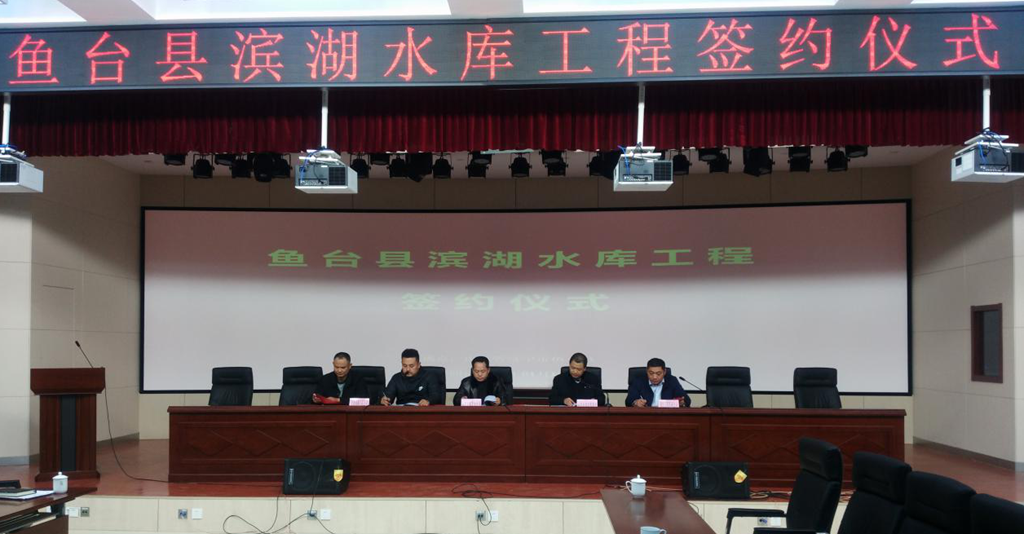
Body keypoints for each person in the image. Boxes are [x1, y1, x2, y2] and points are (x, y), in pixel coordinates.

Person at [625, 357, 691, 408]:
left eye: (658, 373)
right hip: (645, 416)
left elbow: (686, 400)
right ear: (647, 371)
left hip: (667, 416)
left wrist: (682, 402)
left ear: (664, 372)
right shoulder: (638, 381)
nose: (654, 377)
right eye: (651, 373)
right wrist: (635, 402)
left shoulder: (672, 380)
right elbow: (628, 401)